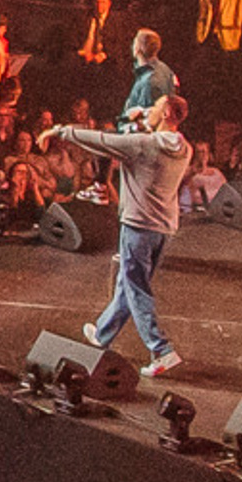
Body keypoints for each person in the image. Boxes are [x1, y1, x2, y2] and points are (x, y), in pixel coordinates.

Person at [44, 89, 190, 379]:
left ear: (167, 114)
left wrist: (63, 131)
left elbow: (102, 140)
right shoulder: (184, 147)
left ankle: (161, 349)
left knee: (136, 288)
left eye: (156, 106)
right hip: (164, 227)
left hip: (138, 226)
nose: (149, 108)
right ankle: (103, 332)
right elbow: (151, 140)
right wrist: (144, 125)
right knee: (129, 282)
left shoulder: (142, 145)